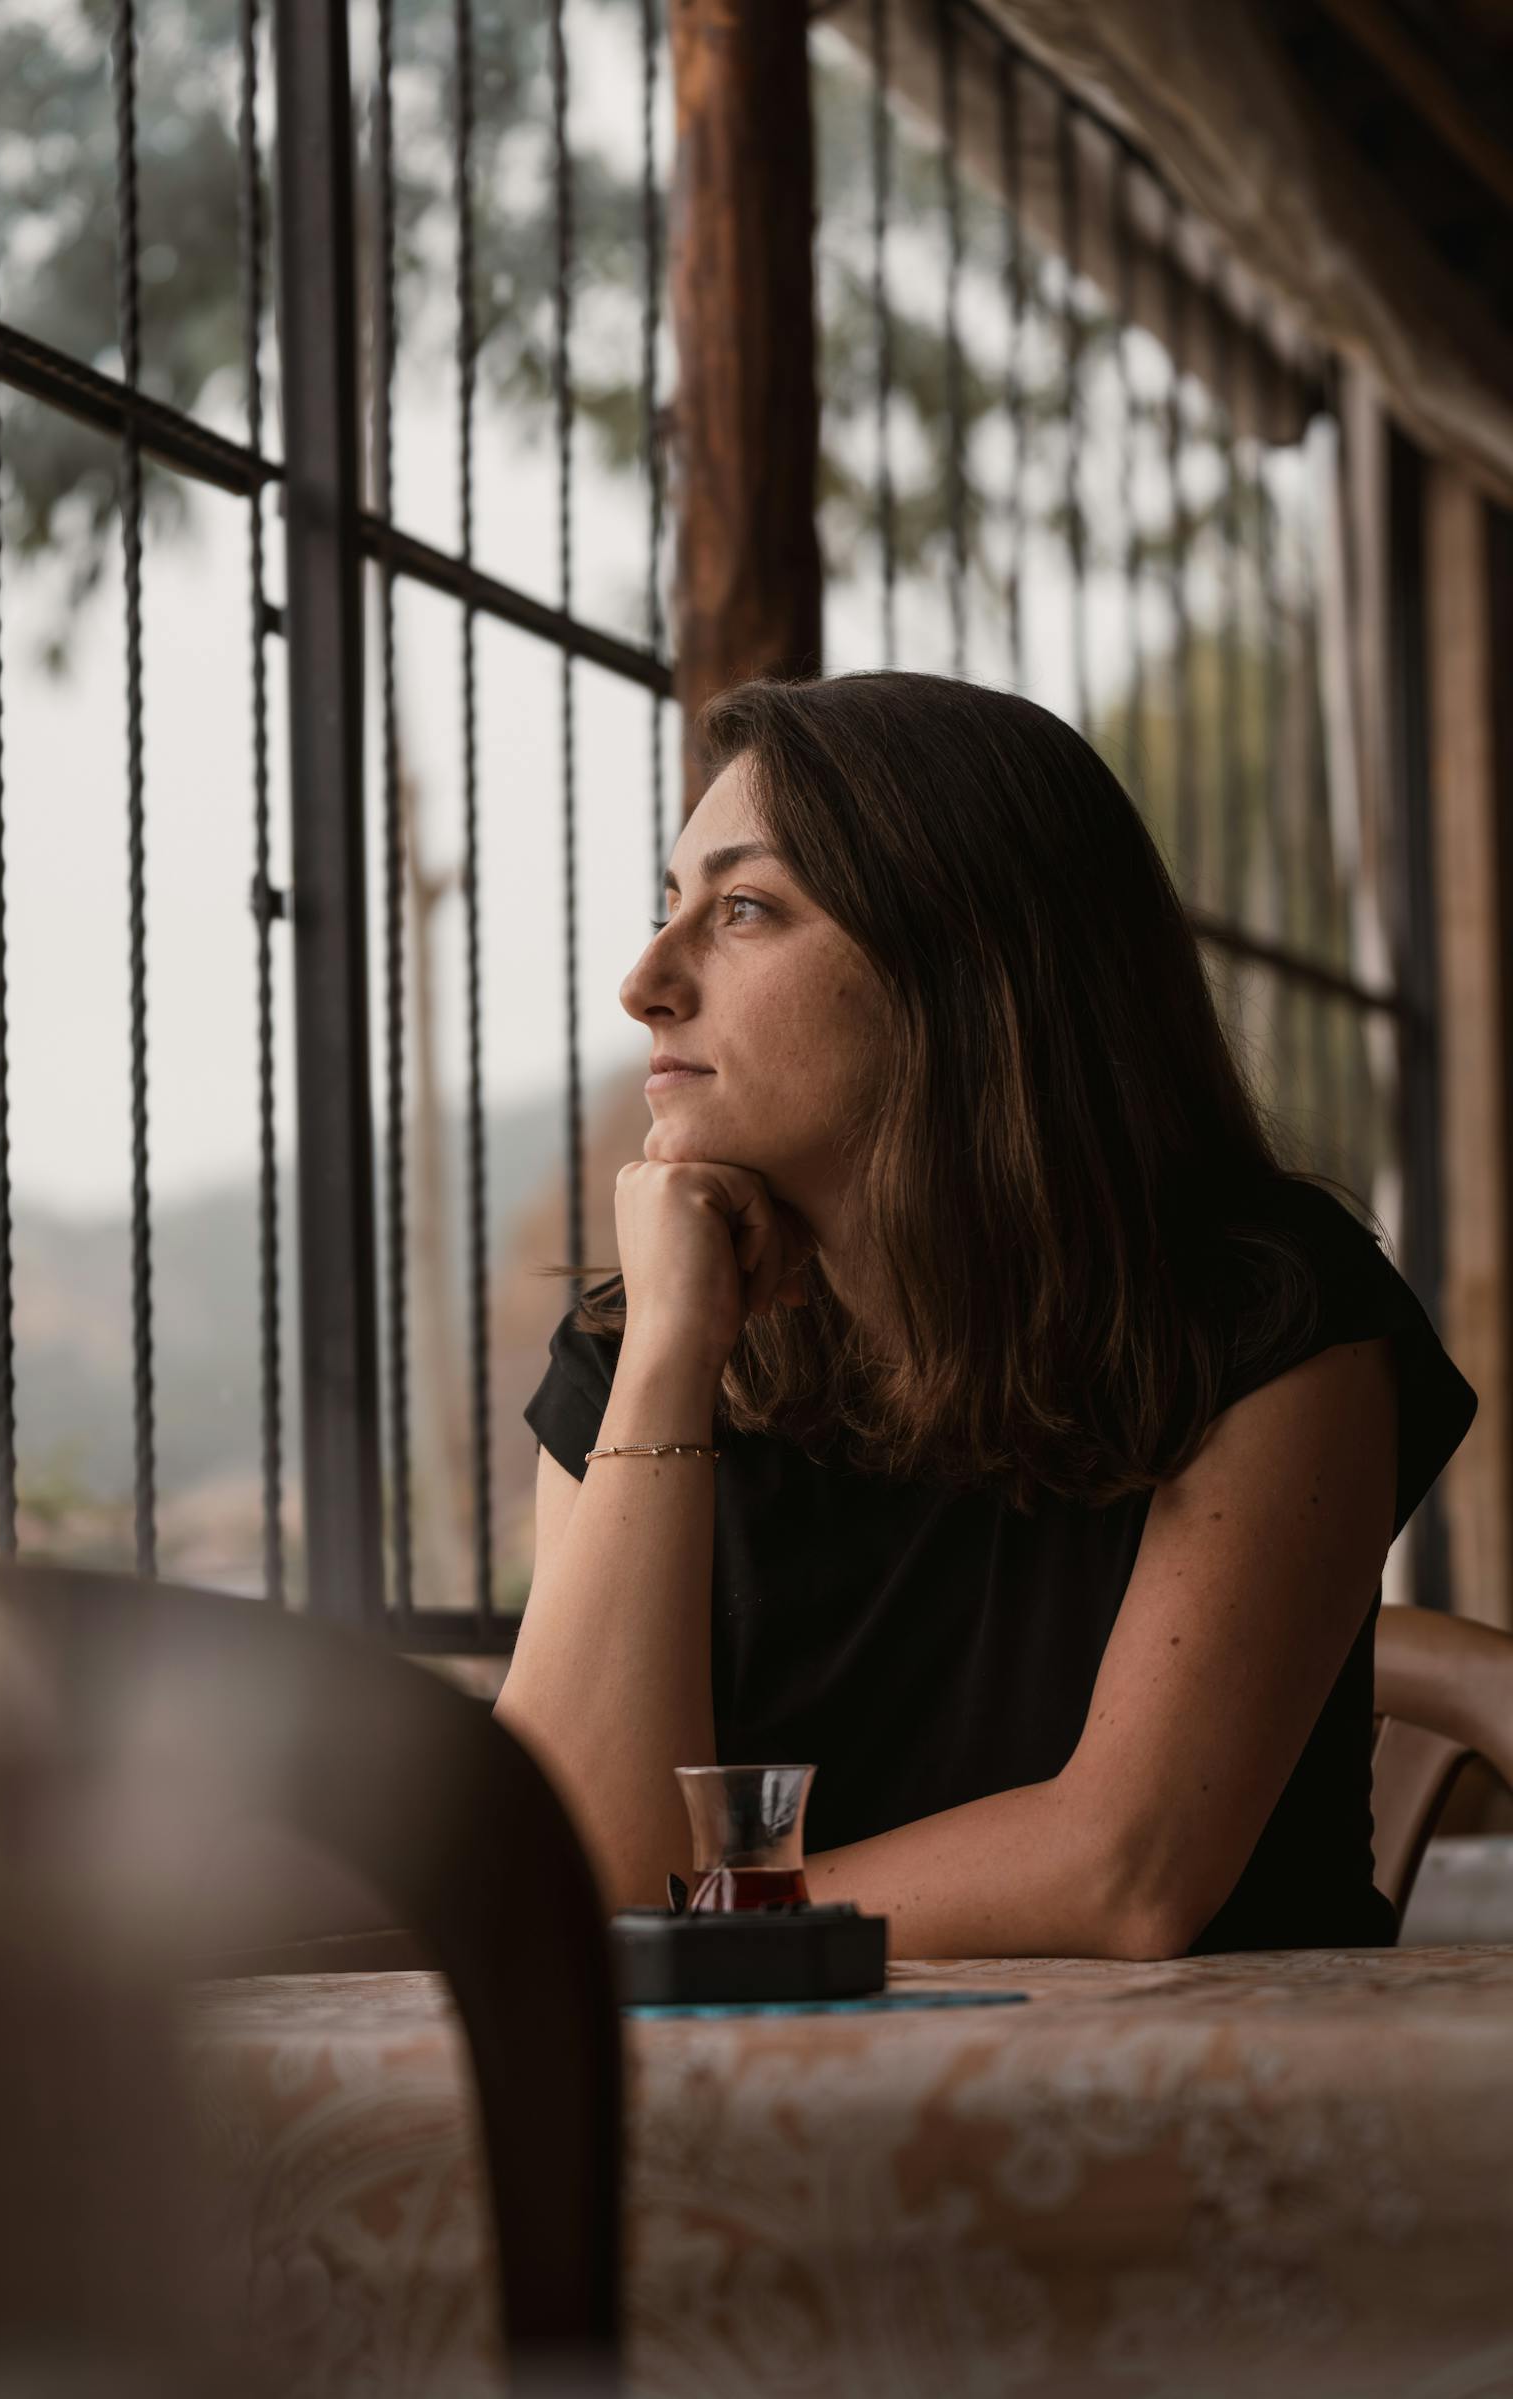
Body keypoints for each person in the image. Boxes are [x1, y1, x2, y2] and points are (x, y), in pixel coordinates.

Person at [495, 670, 1477, 1960]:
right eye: (672, 905)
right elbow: (569, 1861)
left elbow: (1126, 1874)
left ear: (963, 967)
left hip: (1186, 2131)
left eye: (741, 909)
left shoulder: (1269, 1310)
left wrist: (710, 1919)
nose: (647, 981)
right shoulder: (643, 1351)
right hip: (750, 2135)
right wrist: (674, 1354)